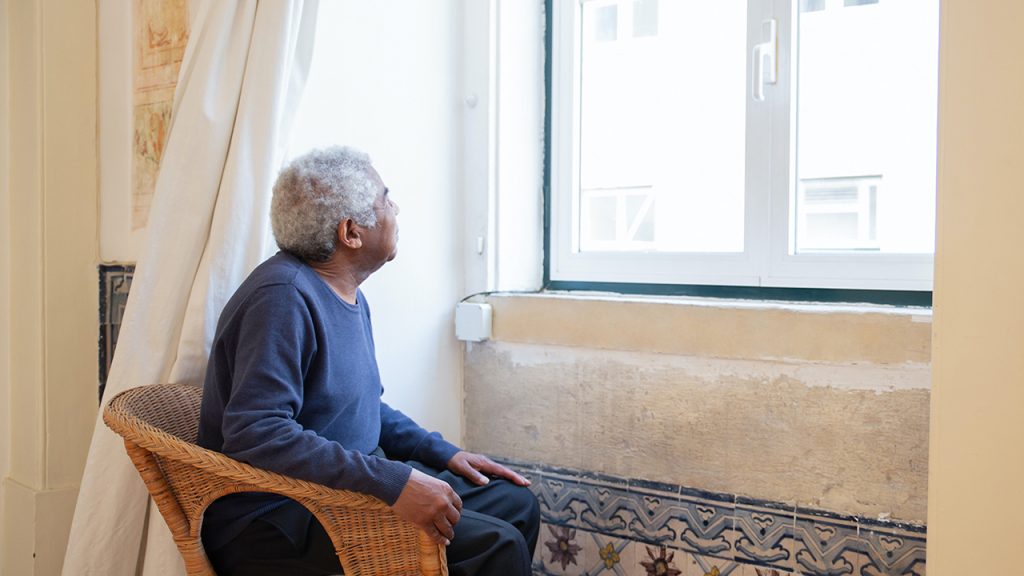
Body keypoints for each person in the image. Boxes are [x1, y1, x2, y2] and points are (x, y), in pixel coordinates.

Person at [197, 146, 540, 575]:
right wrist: (392, 482)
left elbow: (360, 408)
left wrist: (443, 453)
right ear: (351, 232)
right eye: (386, 199)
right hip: (277, 516)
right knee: (497, 545)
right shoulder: (282, 298)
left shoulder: (345, 292)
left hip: (338, 487)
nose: (395, 208)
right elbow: (257, 432)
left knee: (515, 503)